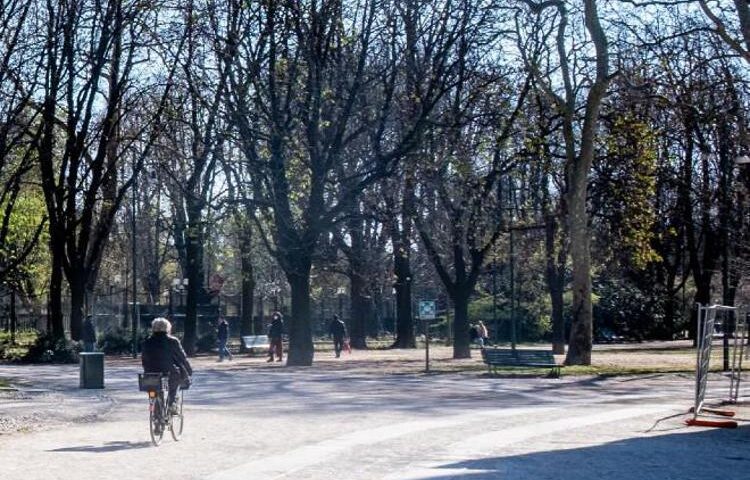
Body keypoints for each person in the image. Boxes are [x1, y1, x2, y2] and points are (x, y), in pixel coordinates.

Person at [141, 317, 193, 416]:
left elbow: (144, 360)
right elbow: (182, 358)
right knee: (174, 385)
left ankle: (156, 413)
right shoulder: (173, 341)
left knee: (155, 390)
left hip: (151, 373)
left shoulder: (146, 342)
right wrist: (189, 371)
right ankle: (172, 403)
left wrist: (146, 370)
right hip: (169, 371)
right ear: (167, 328)